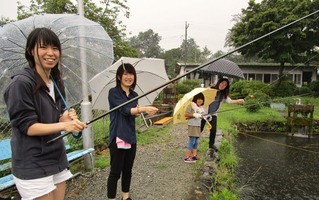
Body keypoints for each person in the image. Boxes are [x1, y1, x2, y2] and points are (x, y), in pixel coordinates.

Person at [3, 27, 87, 200]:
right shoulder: (21, 83)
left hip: (56, 158)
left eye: (55, 48)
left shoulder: (55, 82)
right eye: (43, 47)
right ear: (30, 50)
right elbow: (28, 126)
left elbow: (53, 117)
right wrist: (65, 125)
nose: (51, 53)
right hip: (32, 163)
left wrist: (63, 117)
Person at [107, 63, 159, 200]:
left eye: (131, 74)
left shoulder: (134, 94)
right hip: (118, 136)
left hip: (130, 136)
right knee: (115, 172)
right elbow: (124, 110)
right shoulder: (113, 93)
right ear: (119, 77)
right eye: (125, 74)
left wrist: (137, 112)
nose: (128, 77)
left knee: (128, 171)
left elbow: (132, 112)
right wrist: (142, 109)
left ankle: (126, 197)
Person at [201, 78, 244, 151]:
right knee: (199, 129)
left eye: (225, 85)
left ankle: (211, 145)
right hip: (204, 113)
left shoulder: (223, 95)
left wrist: (239, 100)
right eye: (222, 83)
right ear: (219, 83)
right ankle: (193, 143)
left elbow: (230, 101)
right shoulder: (210, 89)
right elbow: (202, 95)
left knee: (213, 129)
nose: (222, 85)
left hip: (213, 114)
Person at [184, 92, 205, 163]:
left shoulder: (201, 108)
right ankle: (187, 157)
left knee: (196, 142)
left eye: (201, 99)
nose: (200, 100)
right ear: (195, 99)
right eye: (198, 99)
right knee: (192, 141)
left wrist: (204, 117)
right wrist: (194, 114)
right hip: (192, 126)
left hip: (198, 126)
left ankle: (194, 155)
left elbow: (201, 117)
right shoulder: (191, 105)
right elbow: (186, 114)